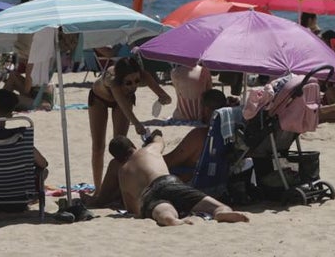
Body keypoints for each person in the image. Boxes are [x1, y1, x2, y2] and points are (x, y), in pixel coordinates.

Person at [111, 132, 248, 226]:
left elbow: (132, 208)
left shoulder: (122, 172)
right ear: (133, 146)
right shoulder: (149, 149)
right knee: (216, 206)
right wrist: (156, 134)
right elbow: (160, 141)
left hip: (149, 194)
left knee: (163, 210)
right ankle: (220, 212)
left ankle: (169, 218)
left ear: (117, 159)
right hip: (169, 182)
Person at [88, 56, 173, 189]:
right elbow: (123, 106)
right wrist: (137, 125)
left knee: (121, 148)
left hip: (125, 100)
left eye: (137, 81)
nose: (133, 86)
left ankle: (118, 188)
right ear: (120, 79)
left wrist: (164, 98)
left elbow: (166, 97)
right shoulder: (112, 79)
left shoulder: (144, 75)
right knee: (98, 147)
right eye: (128, 83)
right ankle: (98, 189)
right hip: (99, 99)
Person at [0, 88, 49, 180]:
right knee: (43, 171)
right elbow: (43, 163)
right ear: (10, 114)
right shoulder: (20, 137)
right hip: (17, 190)